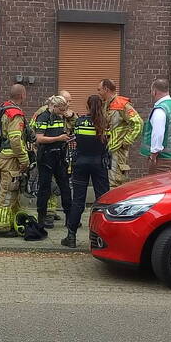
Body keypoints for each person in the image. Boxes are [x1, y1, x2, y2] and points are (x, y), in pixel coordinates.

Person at [61, 94, 111, 248]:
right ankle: (101, 238)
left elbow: (72, 135)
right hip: (99, 164)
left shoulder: (80, 121)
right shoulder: (105, 123)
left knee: (78, 201)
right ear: (101, 106)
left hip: (81, 163)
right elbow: (109, 143)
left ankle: (71, 237)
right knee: (102, 201)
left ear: (88, 106)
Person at [0, 83, 30, 237]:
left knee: (13, 192)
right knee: (7, 193)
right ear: (22, 95)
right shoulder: (15, 114)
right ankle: (0, 228)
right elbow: (15, 138)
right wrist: (24, 158)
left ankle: (11, 223)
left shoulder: (4, 109)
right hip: (11, 160)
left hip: (4, 157)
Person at [32, 95, 73, 228]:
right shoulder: (43, 117)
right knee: (44, 188)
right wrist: (59, 138)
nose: (63, 113)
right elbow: (39, 139)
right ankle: (41, 218)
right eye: (61, 110)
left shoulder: (59, 117)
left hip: (59, 156)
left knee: (65, 186)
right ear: (54, 107)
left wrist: (66, 138)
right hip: (46, 156)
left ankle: (69, 218)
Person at [97, 78, 143, 188]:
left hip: (118, 150)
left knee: (116, 182)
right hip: (109, 148)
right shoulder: (106, 104)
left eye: (99, 90)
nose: (98, 92)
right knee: (108, 181)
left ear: (106, 89)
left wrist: (127, 141)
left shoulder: (122, 104)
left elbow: (138, 123)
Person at [140, 78, 171, 174]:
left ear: (154, 91)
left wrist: (153, 155)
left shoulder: (160, 110)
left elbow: (158, 133)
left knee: (156, 186)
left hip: (161, 159)